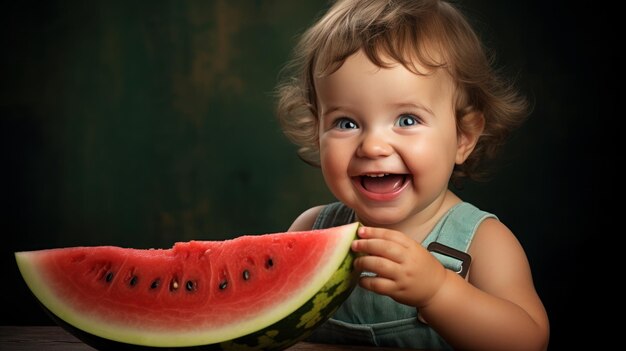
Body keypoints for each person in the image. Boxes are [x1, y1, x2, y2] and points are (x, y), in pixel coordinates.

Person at [275, 0, 549, 349]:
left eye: (407, 120)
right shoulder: (311, 229)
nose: (373, 146)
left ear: (463, 137)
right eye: (346, 123)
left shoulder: (483, 243)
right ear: (318, 133)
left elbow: (529, 341)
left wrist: (439, 291)